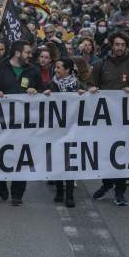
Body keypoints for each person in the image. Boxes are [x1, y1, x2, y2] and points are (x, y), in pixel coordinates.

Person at [0, 40, 42, 206]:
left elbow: (46, 90)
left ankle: (18, 193)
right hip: (1, 124)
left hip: (24, 124)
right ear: (17, 53)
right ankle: (1, 182)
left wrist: (36, 91)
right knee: (1, 155)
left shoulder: (33, 71)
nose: (30, 55)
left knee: (21, 157)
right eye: (27, 52)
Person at [90, 32, 129, 206]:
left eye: (123, 45)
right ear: (112, 45)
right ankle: (106, 184)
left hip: (125, 120)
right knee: (106, 153)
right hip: (105, 119)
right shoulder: (101, 64)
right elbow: (91, 85)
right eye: (117, 44)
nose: (120, 47)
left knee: (122, 154)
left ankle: (120, 191)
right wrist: (91, 90)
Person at [43, 58, 86, 208]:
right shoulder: (52, 84)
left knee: (70, 161)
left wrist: (84, 94)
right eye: (56, 67)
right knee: (58, 160)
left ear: (67, 70)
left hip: (72, 129)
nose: (56, 70)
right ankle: (59, 190)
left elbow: (87, 102)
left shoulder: (77, 85)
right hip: (56, 128)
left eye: (59, 67)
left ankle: (69, 194)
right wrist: (45, 94)